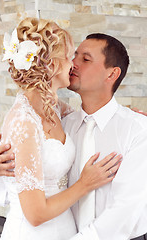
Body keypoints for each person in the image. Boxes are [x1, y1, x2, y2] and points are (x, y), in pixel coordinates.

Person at [0, 18, 121, 240]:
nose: (73, 64)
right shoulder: (24, 121)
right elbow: (35, 214)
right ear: (52, 64)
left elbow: (91, 118)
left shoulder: (55, 108)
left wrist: (127, 116)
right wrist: (85, 184)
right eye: (70, 57)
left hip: (65, 229)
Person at [62, 33, 147, 240]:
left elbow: (126, 209)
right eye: (74, 56)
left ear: (112, 74)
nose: (73, 63)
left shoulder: (137, 129)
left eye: (86, 59)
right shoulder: (63, 125)